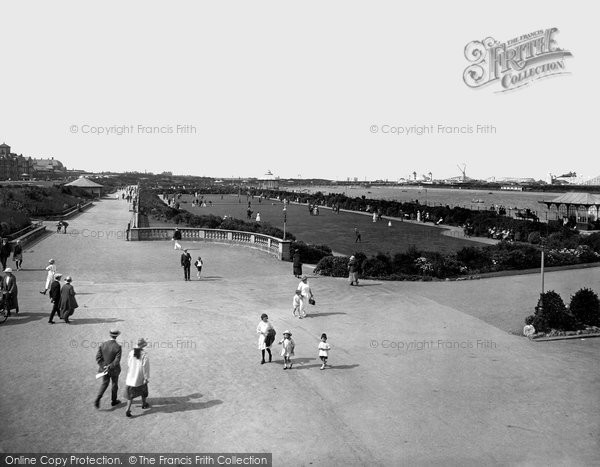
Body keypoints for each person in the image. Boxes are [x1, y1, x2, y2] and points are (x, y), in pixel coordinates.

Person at [95, 329, 122, 409]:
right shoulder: (118, 347)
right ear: (117, 336)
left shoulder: (103, 345)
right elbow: (117, 360)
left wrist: (104, 366)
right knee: (114, 384)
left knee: (104, 383)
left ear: (110, 335)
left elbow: (98, 357)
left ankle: (98, 398)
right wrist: (109, 366)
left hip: (104, 369)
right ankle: (114, 401)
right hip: (114, 370)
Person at [124, 338, 150, 418]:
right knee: (143, 391)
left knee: (130, 395)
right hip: (140, 377)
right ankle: (144, 404)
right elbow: (146, 367)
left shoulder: (131, 353)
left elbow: (128, 363)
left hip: (131, 377)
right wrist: (146, 378)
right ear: (143, 346)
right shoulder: (144, 355)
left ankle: (128, 409)